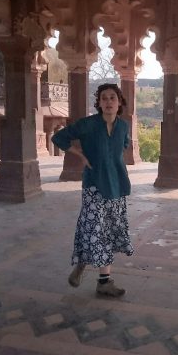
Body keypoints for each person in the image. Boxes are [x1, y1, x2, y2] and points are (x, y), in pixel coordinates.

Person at [52, 83, 134, 297]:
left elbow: (124, 145)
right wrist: (80, 154)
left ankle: (102, 280)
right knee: (94, 229)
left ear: (119, 103)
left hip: (117, 185)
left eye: (112, 98)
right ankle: (83, 263)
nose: (108, 101)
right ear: (98, 103)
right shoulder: (88, 124)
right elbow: (59, 138)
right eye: (104, 98)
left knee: (107, 231)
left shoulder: (124, 126)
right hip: (94, 186)